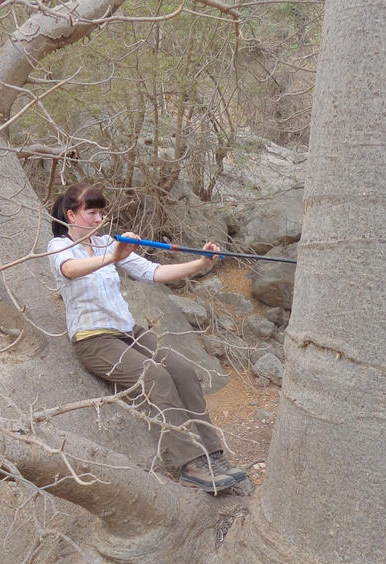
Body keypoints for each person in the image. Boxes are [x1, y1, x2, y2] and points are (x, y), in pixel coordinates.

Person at [46, 183, 247, 494]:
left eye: (101, 212)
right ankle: (188, 464)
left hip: (129, 331)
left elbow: (152, 272)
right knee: (154, 377)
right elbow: (71, 270)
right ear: (71, 214)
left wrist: (201, 263)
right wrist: (113, 256)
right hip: (93, 340)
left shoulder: (106, 244)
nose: (99, 218)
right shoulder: (59, 247)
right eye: (92, 212)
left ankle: (213, 454)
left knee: (183, 371)